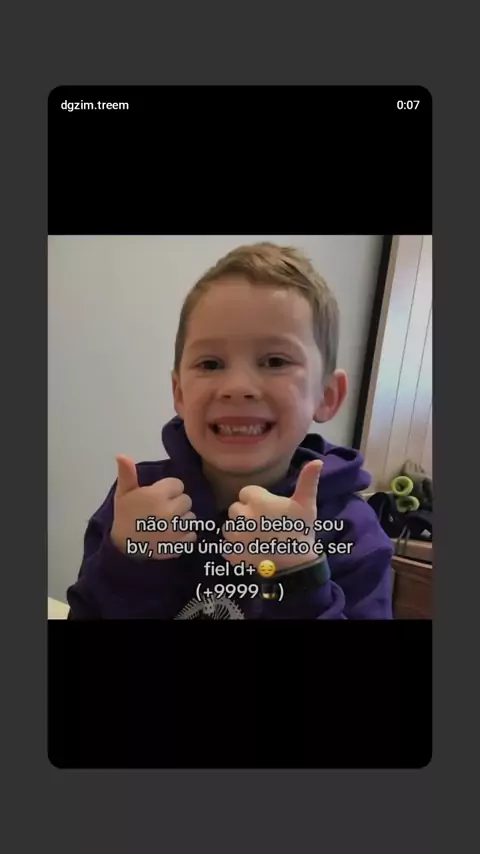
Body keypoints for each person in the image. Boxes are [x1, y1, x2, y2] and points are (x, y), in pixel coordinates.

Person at [66, 242, 393, 619]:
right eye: (210, 364)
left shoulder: (353, 532)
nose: (237, 386)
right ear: (179, 393)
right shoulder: (135, 503)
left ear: (327, 395)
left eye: (275, 361)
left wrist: (298, 577)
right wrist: (126, 562)